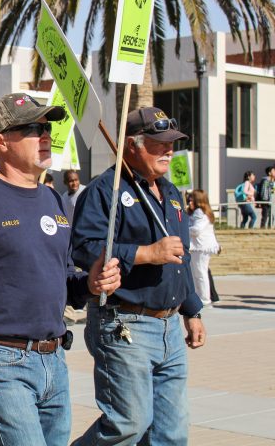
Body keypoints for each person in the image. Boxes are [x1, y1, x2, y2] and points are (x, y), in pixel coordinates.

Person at [0, 93, 120, 445]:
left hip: (54, 362)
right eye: (32, 128)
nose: (45, 135)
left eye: (46, 127)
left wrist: (90, 284)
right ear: (0, 142)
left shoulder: (53, 199)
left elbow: (61, 278)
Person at [71, 107, 206, 445]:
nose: (169, 150)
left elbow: (180, 257)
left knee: (171, 431)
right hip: (124, 323)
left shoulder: (172, 194)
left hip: (169, 328)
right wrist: (145, 254)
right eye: (160, 144)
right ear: (132, 145)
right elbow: (85, 248)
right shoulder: (104, 192)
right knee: (128, 424)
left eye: (172, 143)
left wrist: (192, 310)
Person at [187, 189, 220, 308]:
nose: (189, 201)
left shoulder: (200, 212)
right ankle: (201, 297)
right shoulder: (199, 212)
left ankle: (204, 299)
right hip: (199, 247)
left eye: (192, 199)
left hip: (201, 247)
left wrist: (184, 229)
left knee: (200, 273)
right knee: (198, 273)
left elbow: (196, 230)